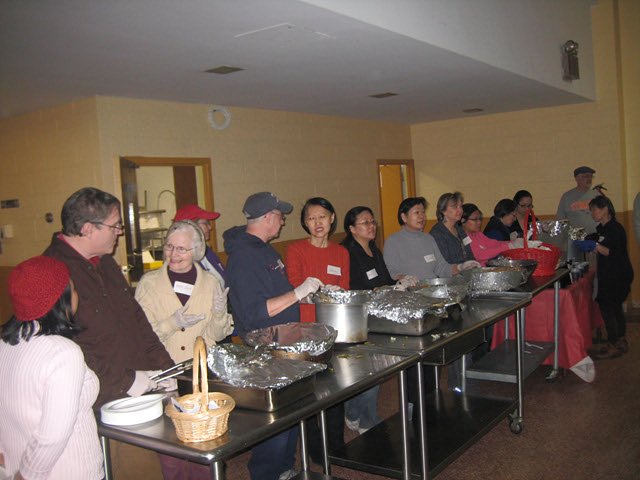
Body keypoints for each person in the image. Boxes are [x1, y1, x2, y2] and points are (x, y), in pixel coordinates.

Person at [43, 187, 174, 407]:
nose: (120, 232)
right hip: (102, 400)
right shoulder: (51, 272)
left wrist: (167, 369)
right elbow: (65, 347)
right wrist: (126, 382)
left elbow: (137, 321)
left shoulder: (105, 262)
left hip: (144, 388)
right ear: (87, 229)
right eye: (115, 226)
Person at [223, 191, 322, 480]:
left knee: (290, 415)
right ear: (267, 217)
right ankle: (266, 474)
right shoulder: (244, 257)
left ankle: (284, 469)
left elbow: (278, 296)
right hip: (266, 347)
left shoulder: (265, 250)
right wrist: (298, 292)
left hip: (284, 343)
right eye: (280, 215)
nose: (283, 221)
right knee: (275, 422)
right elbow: (255, 312)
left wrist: (308, 296)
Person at [0, 256, 103, 480]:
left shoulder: (5, 344)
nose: (76, 295)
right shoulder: (63, 352)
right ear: (60, 300)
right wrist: (27, 475)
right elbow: (53, 434)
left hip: (12, 466)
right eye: (72, 289)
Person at [284, 197, 347, 462]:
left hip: (332, 329)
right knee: (309, 392)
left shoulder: (341, 252)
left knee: (336, 388)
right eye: (311, 218)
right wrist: (318, 294)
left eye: (322, 216)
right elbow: (294, 288)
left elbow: (345, 288)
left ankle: (336, 445)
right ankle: (315, 451)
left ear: (332, 218)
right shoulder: (295, 250)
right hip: (304, 330)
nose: (317, 223)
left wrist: (337, 292)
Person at [135, 220, 233, 363]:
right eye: (169, 246)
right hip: (164, 368)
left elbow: (217, 336)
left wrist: (219, 315)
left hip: (201, 368)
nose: (173, 254)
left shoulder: (211, 282)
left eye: (181, 249)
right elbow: (141, 337)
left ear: (196, 250)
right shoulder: (148, 284)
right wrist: (172, 323)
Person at [340, 206, 391, 434]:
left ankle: (354, 413)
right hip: (356, 318)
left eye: (372, 221)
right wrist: (374, 290)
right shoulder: (347, 252)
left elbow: (385, 278)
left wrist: (397, 283)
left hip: (377, 316)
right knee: (369, 371)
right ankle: (365, 419)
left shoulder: (374, 249)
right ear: (352, 229)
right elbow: (349, 287)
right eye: (365, 222)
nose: (371, 226)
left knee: (373, 370)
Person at [383, 197, 478, 281]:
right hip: (409, 291)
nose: (422, 216)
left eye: (423, 212)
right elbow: (391, 272)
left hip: (431, 288)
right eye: (417, 213)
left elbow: (441, 267)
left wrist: (460, 267)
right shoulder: (393, 241)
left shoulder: (428, 238)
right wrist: (403, 278)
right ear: (404, 217)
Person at [587, 196, 634, 359]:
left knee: (608, 308)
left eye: (594, 209)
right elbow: (597, 240)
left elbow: (609, 251)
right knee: (615, 307)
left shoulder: (615, 229)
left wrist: (594, 246)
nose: (592, 213)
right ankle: (620, 340)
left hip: (617, 274)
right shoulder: (603, 228)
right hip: (610, 273)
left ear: (605, 209)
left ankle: (614, 343)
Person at [174, 204, 227, 288]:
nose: (210, 227)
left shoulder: (207, 252)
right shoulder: (180, 262)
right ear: (190, 227)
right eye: (205, 223)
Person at [430, 192, 476, 265]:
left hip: (467, 269)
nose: (460, 210)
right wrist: (463, 267)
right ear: (443, 211)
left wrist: (474, 264)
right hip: (451, 271)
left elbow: (469, 253)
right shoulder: (437, 233)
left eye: (460, 206)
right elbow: (445, 263)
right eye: (455, 207)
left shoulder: (459, 229)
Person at [556, 166, 599, 233]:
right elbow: (560, 219)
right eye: (586, 176)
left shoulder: (597, 195)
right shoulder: (567, 197)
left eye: (591, 176)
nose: (589, 179)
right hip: (576, 237)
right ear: (577, 178)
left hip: (596, 235)